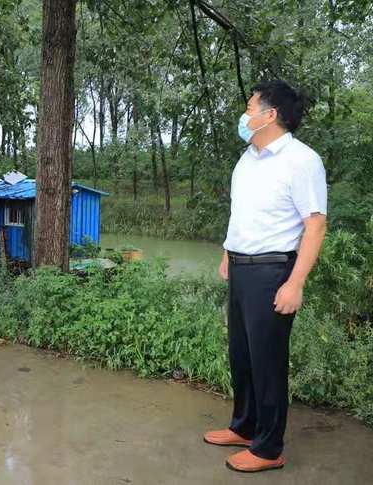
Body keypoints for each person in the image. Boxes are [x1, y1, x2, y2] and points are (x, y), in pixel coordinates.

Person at [203, 80, 327, 473]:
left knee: (267, 360)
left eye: (249, 107)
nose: (245, 115)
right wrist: (228, 252)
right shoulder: (247, 159)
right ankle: (245, 426)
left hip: (273, 270)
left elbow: (315, 225)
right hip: (242, 268)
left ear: (270, 115)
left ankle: (269, 448)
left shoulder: (302, 161)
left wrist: (295, 283)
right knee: (241, 355)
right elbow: (241, 211)